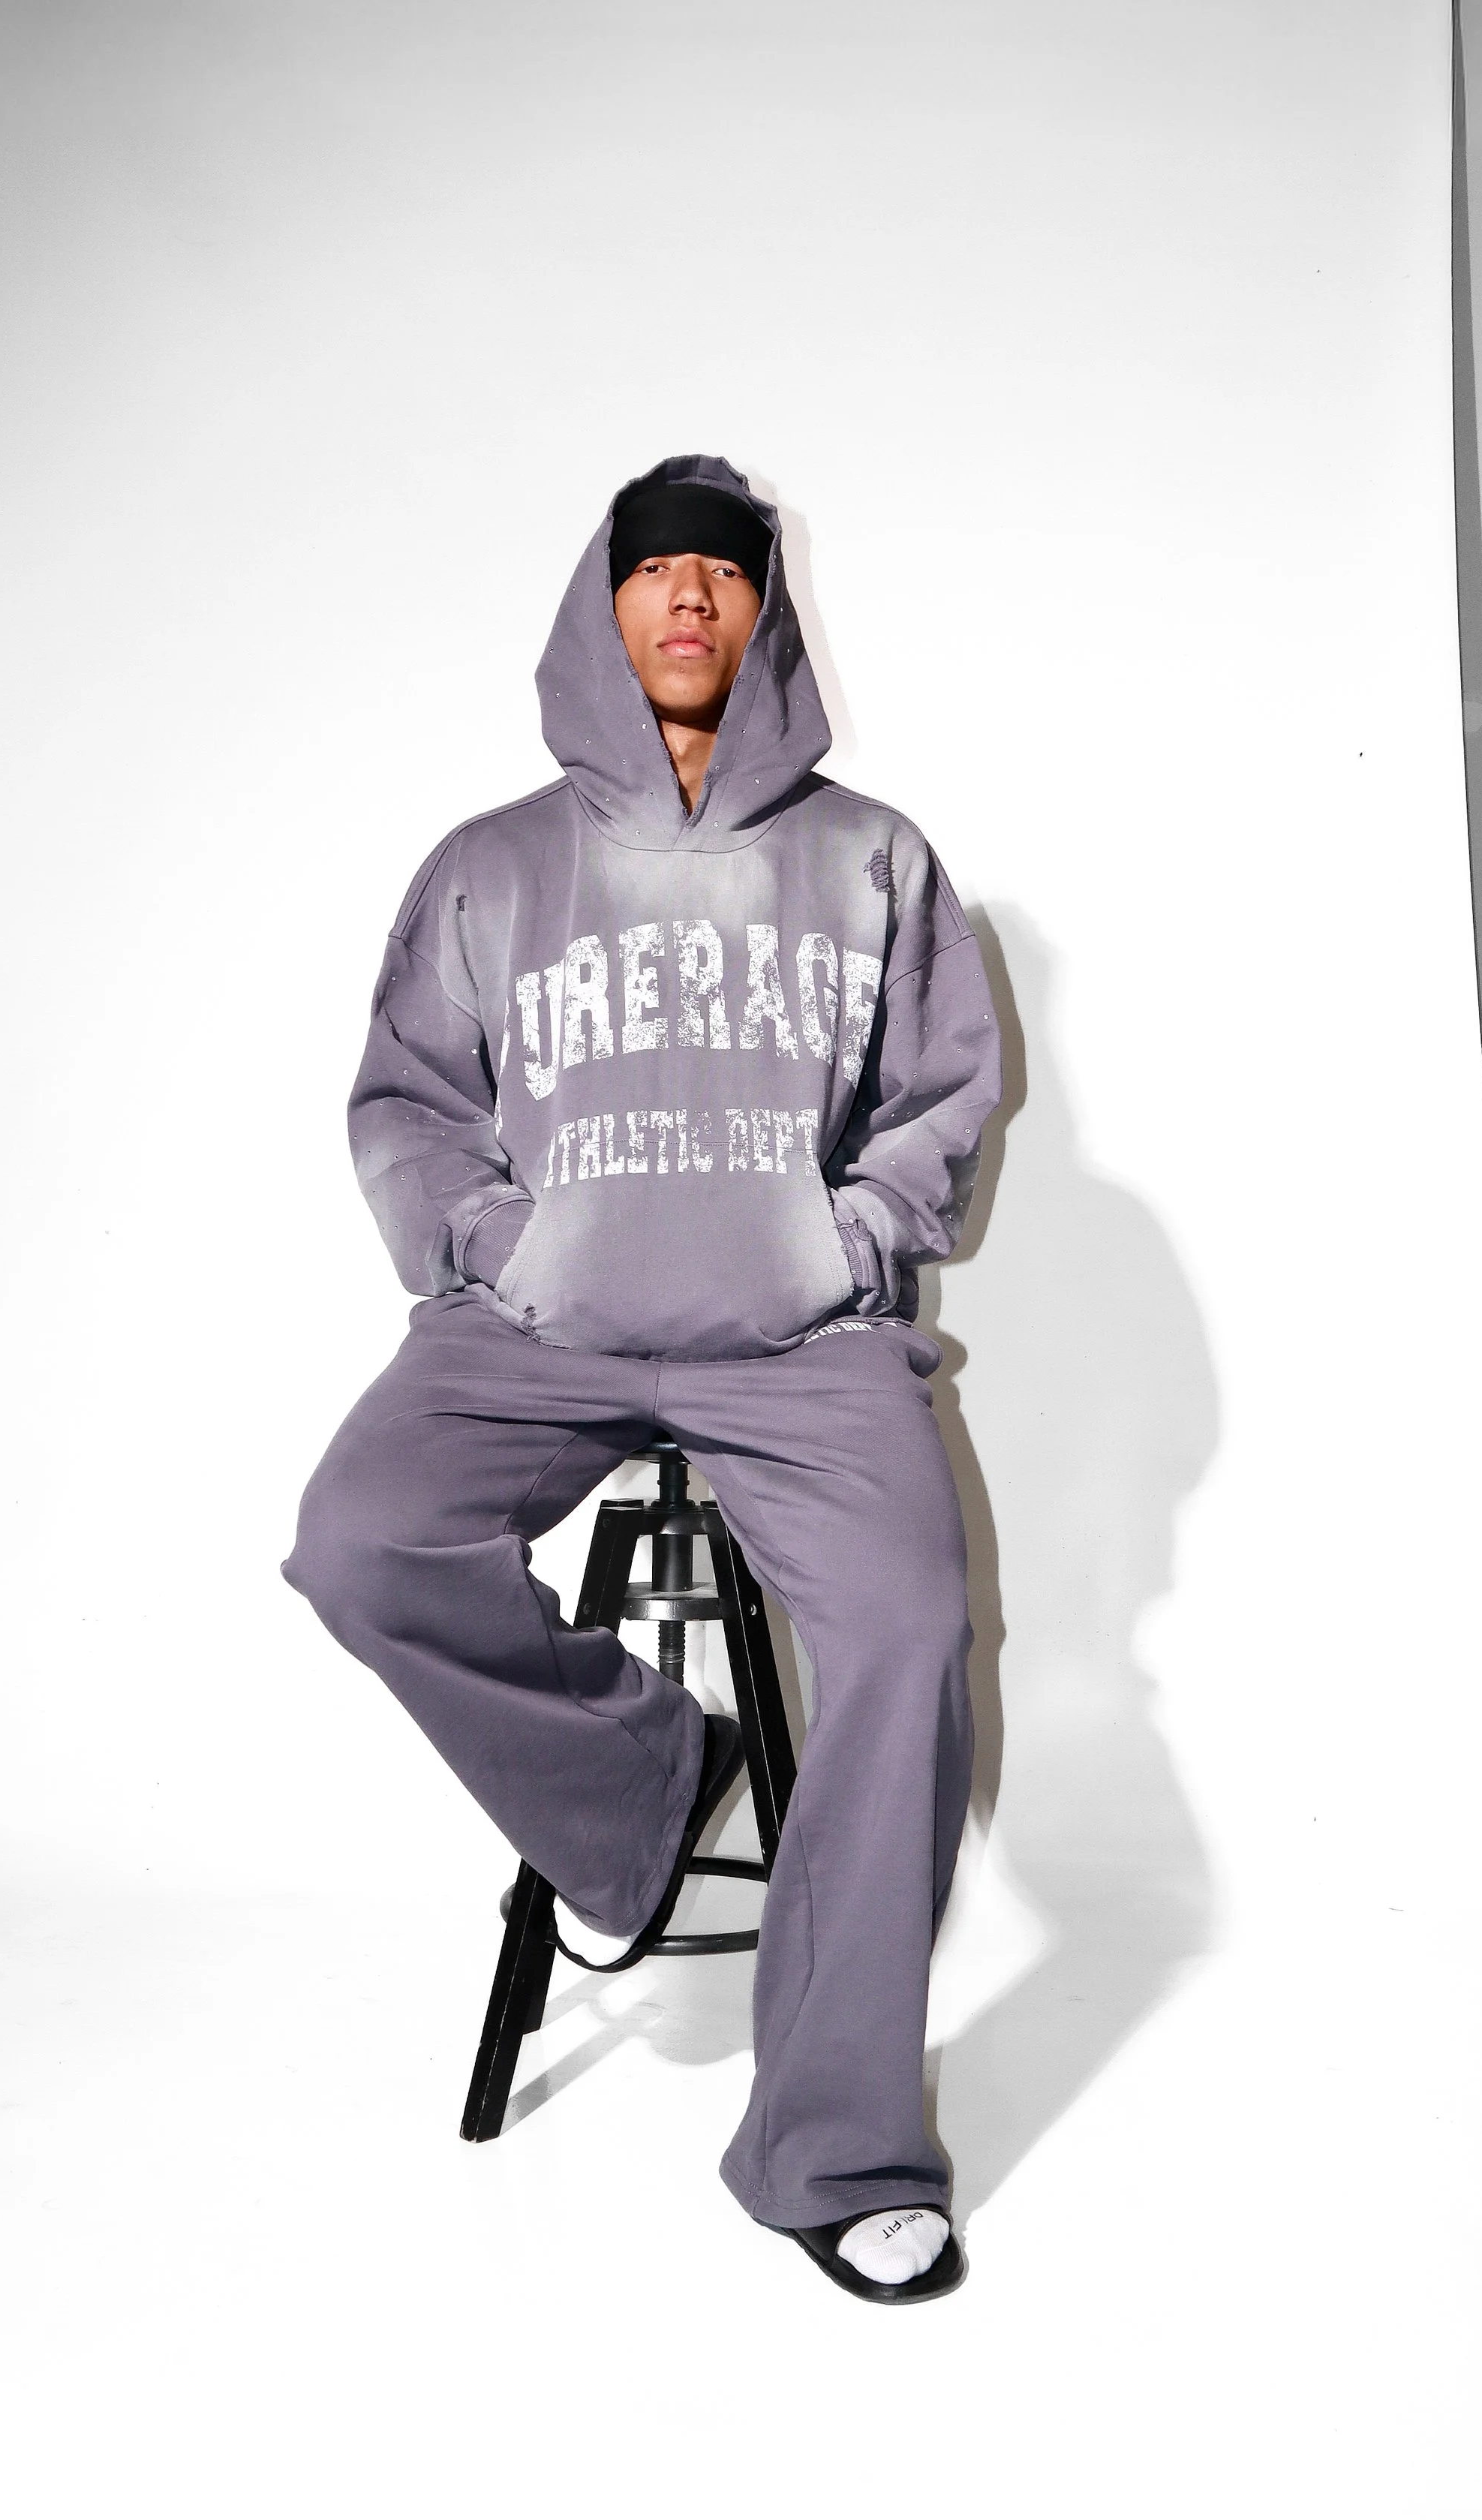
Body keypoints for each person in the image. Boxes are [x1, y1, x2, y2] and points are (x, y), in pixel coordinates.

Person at [283, 454, 1000, 2303]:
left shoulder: (871, 859)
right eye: (655, 569)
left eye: (723, 574)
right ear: (601, 610)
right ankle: (640, 1775)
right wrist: (490, 1245)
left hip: (796, 1347)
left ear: (765, 617)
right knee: (361, 1542)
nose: (688, 597)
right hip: (538, 1330)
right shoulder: (489, 867)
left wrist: (838, 1242)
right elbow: (407, 1101)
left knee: (911, 1628)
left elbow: (941, 1098)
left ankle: (833, 2140)